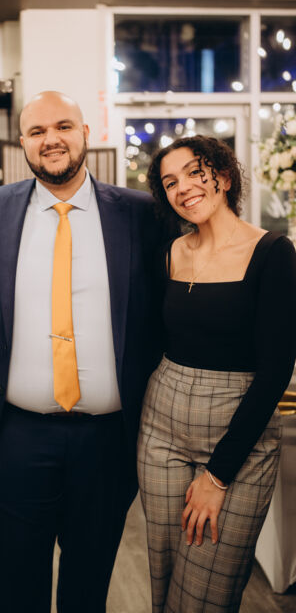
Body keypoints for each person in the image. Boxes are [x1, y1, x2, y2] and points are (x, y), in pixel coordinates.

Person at [0, 90, 168, 613]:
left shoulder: (142, 214)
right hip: (14, 439)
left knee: (87, 588)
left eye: (63, 127)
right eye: (37, 131)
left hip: (108, 442)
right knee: (15, 586)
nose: (51, 139)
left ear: (85, 134)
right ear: (22, 143)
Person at [138, 134, 296, 613]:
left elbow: (275, 370)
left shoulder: (272, 251)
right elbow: (153, 342)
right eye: (170, 182)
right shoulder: (170, 252)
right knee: (164, 577)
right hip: (161, 428)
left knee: (206, 593)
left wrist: (218, 475)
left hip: (239, 437)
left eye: (194, 172)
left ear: (223, 177)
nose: (183, 187)